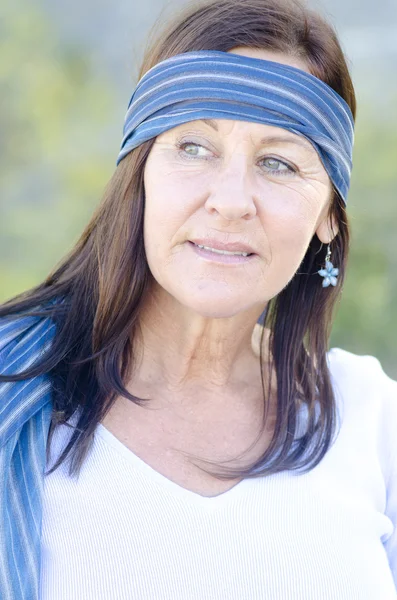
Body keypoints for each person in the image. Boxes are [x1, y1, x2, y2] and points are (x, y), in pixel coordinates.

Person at [0, 0, 396, 598]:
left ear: (329, 218)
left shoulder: (370, 421)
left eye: (278, 163)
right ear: (141, 170)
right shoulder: (15, 391)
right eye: (193, 148)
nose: (231, 200)